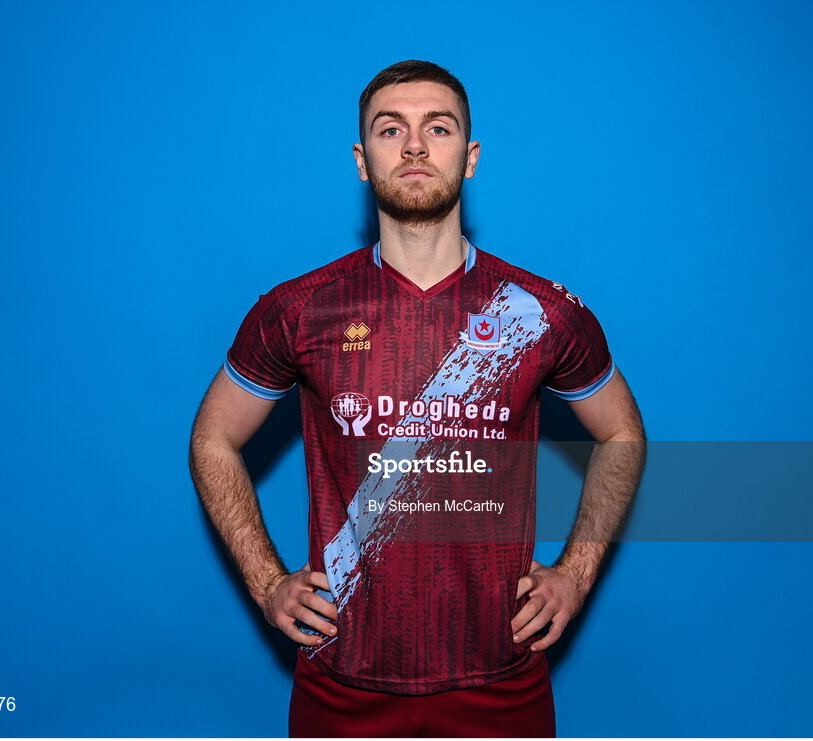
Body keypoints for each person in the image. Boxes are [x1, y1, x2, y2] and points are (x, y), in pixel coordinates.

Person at [188, 59, 647, 738]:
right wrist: (266, 581)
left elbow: (623, 435)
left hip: (501, 680)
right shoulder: (299, 310)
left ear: (470, 157)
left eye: (438, 127)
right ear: (361, 159)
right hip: (343, 682)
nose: (413, 146)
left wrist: (575, 574)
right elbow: (212, 438)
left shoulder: (540, 313)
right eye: (389, 129)